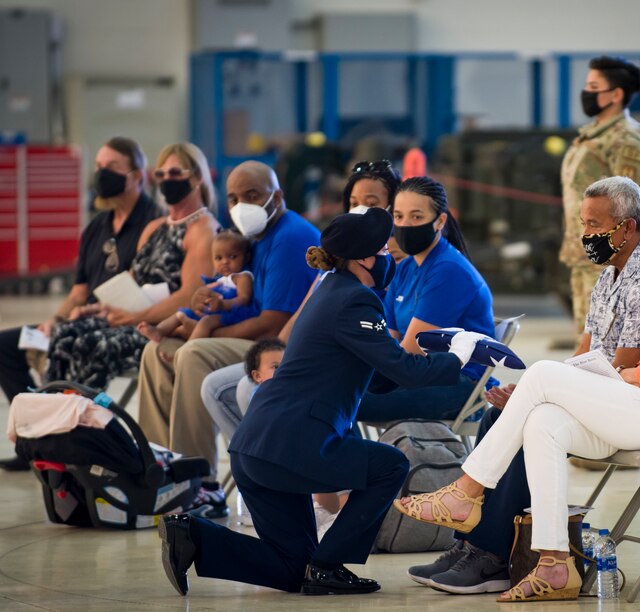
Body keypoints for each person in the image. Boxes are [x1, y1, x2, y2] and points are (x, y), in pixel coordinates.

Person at [395, 184, 640, 603]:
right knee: (544, 420)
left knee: (546, 375)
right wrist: (620, 375)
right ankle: (553, 563)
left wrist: (621, 377)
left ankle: (466, 491)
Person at [157, 208, 487, 597]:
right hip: (293, 444)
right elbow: (405, 371)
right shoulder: (356, 301)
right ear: (363, 259)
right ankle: (330, 564)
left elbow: (379, 376)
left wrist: (437, 355)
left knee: (293, 567)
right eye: (382, 248)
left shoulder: (330, 290)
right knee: (390, 465)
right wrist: (461, 358)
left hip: (257, 448)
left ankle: (192, 536)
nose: (388, 255)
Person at [136, 160, 320, 507]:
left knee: (193, 353)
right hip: (254, 338)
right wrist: (207, 304)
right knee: (156, 351)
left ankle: (199, 481)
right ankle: (160, 466)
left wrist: (207, 331)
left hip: (281, 349)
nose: (241, 206)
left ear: (277, 196)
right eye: (234, 199)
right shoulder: (254, 238)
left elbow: (272, 323)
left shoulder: (290, 238)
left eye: (252, 195)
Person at [198, 161, 401, 456]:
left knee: (245, 389)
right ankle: (270, 476)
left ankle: (290, 475)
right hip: (311, 355)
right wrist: (277, 357)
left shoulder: (384, 262)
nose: (360, 210)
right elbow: (300, 315)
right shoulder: (337, 259)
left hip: (344, 363)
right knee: (220, 386)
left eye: (371, 204)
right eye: (354, 203)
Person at [0, 136, 160, 471]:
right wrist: (53, 320)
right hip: (77, 318)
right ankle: (37, 436)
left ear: (138, 176)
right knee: (1, 346)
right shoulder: (96, 227)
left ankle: (63, 442)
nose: (101, 173)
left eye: (112, 167)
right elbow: (80, 291)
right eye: (98, 167)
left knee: (72, 345)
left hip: (115, 325)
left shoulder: (153, 223)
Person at [44, 142, 218, 390]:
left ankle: (86, 421)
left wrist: (135, 317)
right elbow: (131, 284)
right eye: (161, 174)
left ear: (197, 177)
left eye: (175, 173)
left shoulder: (204, 230)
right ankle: (53, 416)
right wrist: (97, 308)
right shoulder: (155, 228)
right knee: (62, 335)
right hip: (134, 318)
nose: (167, 180)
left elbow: (189, 297)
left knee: (89, 344)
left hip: (165, 327)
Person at [355, 176, 496, 423]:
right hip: (417, 374)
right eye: (398, 217)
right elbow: (388, 339)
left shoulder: (449, 271)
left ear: (440, 221)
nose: (405, 225)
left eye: (417, 217)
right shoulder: (406, 267)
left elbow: (410, 352)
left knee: (339, 399)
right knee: (333, 391)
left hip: (457, 383)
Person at [560, 56, 640, 333]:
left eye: (594, 86)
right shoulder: (591, 134)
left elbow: (633, 202)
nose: (586, 93)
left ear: (615, 94)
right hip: (585, 252)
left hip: (609, 253)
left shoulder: (626, 138)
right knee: (586, 333)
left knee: (604, 338)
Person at [137, 230, 256, 342]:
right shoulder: (219, 279)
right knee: (180, 315)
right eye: (219, 258)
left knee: (206, 322)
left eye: (232, 257)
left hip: (232, 314)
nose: (225, 262)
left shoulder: (242, 277)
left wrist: (223, 305)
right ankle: (160, 331)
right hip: (213, 311)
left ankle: (186, 351)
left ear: (246, 257)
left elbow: (244, 299)